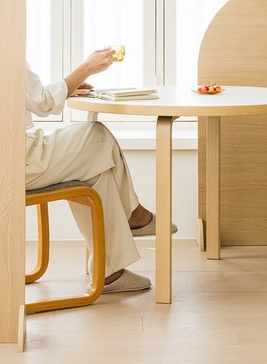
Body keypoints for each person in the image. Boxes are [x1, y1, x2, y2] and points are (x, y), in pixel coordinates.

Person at [25, 47, 176, 293]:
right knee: (98, 136)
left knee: (96, 172)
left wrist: (66, 87)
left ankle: (109, 273)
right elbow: (44, 103)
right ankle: (134, 214)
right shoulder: (4, 48)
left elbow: (31, 96)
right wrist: (87, 68)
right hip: (22, 159)